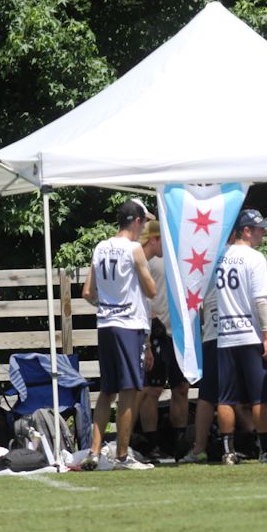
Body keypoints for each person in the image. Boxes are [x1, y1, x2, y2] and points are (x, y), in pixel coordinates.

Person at [82, 199, 158, 471]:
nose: (145, 227)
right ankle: (123, 456)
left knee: (107, 391)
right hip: (128, 326)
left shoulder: (100, 247)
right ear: (136, 221)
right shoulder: (133, 248)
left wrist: (107, 305)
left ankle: (94, 452)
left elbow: (87, 292)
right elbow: (151, 290)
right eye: (144, 222)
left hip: (106, 324)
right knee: (129, 391)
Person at [213, 209, 267, 464]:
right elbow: (261, 301)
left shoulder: (219, 256)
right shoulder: (254, 258)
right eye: (259, 228)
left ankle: (228, 452)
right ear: (246, 231)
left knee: (226, 397)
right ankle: (266, 451)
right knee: (260, 396)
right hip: (250, 335)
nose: (264, 233)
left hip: (225, 335)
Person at [134, 221, 190, 460]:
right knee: (152, 389)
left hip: (181, 332)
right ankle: (151, 442)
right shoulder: (148, 254)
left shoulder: (185, 253)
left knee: (181, 388)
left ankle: (180, 442)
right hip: (158, 329)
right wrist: (151, 321)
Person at [180, 280, 219, 464]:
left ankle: (201, 448)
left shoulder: (208, 271)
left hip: (217, 337)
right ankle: (260, 446)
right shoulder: (209, 272)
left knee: (209, 398)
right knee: (213, 398)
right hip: (230, 337)